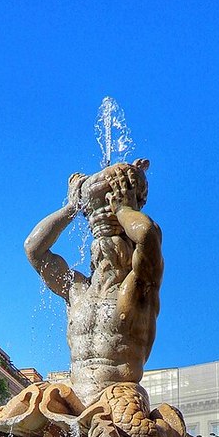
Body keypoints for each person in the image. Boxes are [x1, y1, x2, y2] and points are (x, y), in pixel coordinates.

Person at [24, 159, 163, 408]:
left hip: (119, 403)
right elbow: (34, 249)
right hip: (73, 406)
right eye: (101, 242)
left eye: (118, 239)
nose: (106, 247)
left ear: (130, 247)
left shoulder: (139, 286)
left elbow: (147, 234)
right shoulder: (76, 290)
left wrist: (123, 210)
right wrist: (70, 208)